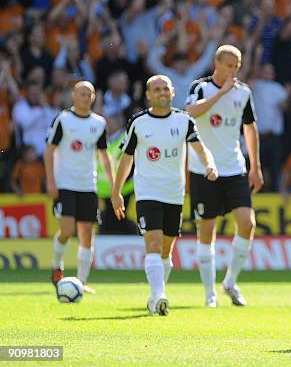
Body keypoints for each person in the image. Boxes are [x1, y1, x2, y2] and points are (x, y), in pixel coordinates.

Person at [111, 75, 218, 316]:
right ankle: (158, 296)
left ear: (172, 92)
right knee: (154, 242)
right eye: (156, 89)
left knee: (166, 250)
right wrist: (116, 191)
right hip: (147, 191)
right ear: (148, 95)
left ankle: (156, 294)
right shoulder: (138, 122)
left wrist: (210, 165)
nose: (161, 93)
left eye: (165, 89)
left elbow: (201, 149)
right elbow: (126, 159)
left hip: (174, 193)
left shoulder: (184, 121)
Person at [185, 44, 263, 308]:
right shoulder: (201, 87)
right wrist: (221, 93)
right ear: (216, 65)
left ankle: (230, 281)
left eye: (236, 66)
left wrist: (255, 166)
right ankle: (210, 292)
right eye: (228, 65)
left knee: (247, 223)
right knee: (207, 229)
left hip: (234, 167)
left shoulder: (243, 93)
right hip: (203, 169)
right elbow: (191, 113)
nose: (232, 70)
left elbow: (250, 129)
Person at [44, 81, 114, 294]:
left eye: (89, 94)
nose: (86, 97)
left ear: (93, 97)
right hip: (65, 183)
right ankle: (57, 268)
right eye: (82, 93)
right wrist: (51, 180)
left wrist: (113, 184)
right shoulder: (63, 119)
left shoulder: (99, 123)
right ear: (73, 95)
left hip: (88, 185)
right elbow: (49, 151)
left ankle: (81, 282)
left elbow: (104, 155)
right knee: (66, 230)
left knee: (86, 234)